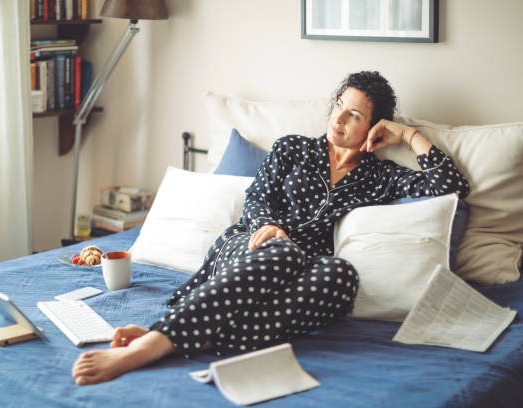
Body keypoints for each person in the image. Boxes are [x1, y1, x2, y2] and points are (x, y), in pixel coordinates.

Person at [71, 71, 470, 385]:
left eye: (355, 115)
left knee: (340, 274)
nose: (339, 118)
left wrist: (408, 135)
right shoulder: (291, 148)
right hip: (250, 246)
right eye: (339, 105)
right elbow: (256, 198)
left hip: (304, 270)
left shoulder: (380, 176)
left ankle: (201, 337)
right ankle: (152, 345)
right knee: (284, 249)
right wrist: (270, 226)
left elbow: (451, 186)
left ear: (374, 126)